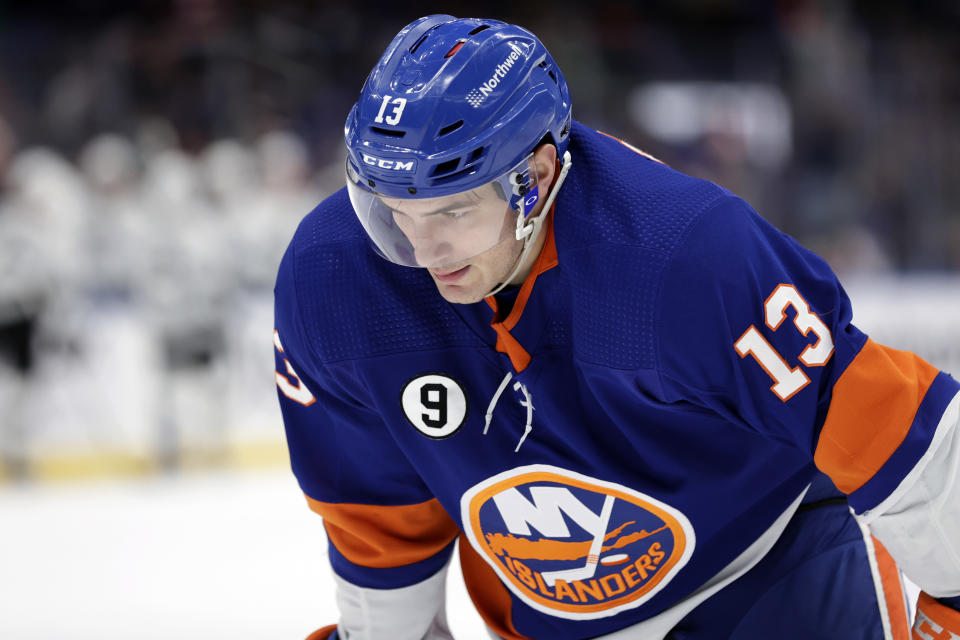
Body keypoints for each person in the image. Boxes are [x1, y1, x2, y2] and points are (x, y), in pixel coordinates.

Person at [273, 15, 960, 640]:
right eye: (393, 210)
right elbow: (375, 518)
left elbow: (888, 419)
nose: (422, 252)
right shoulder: (335, 281)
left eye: (453, 211)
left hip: (771, 567)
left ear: (536, 177)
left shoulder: (684, 258)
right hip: (555, 620)